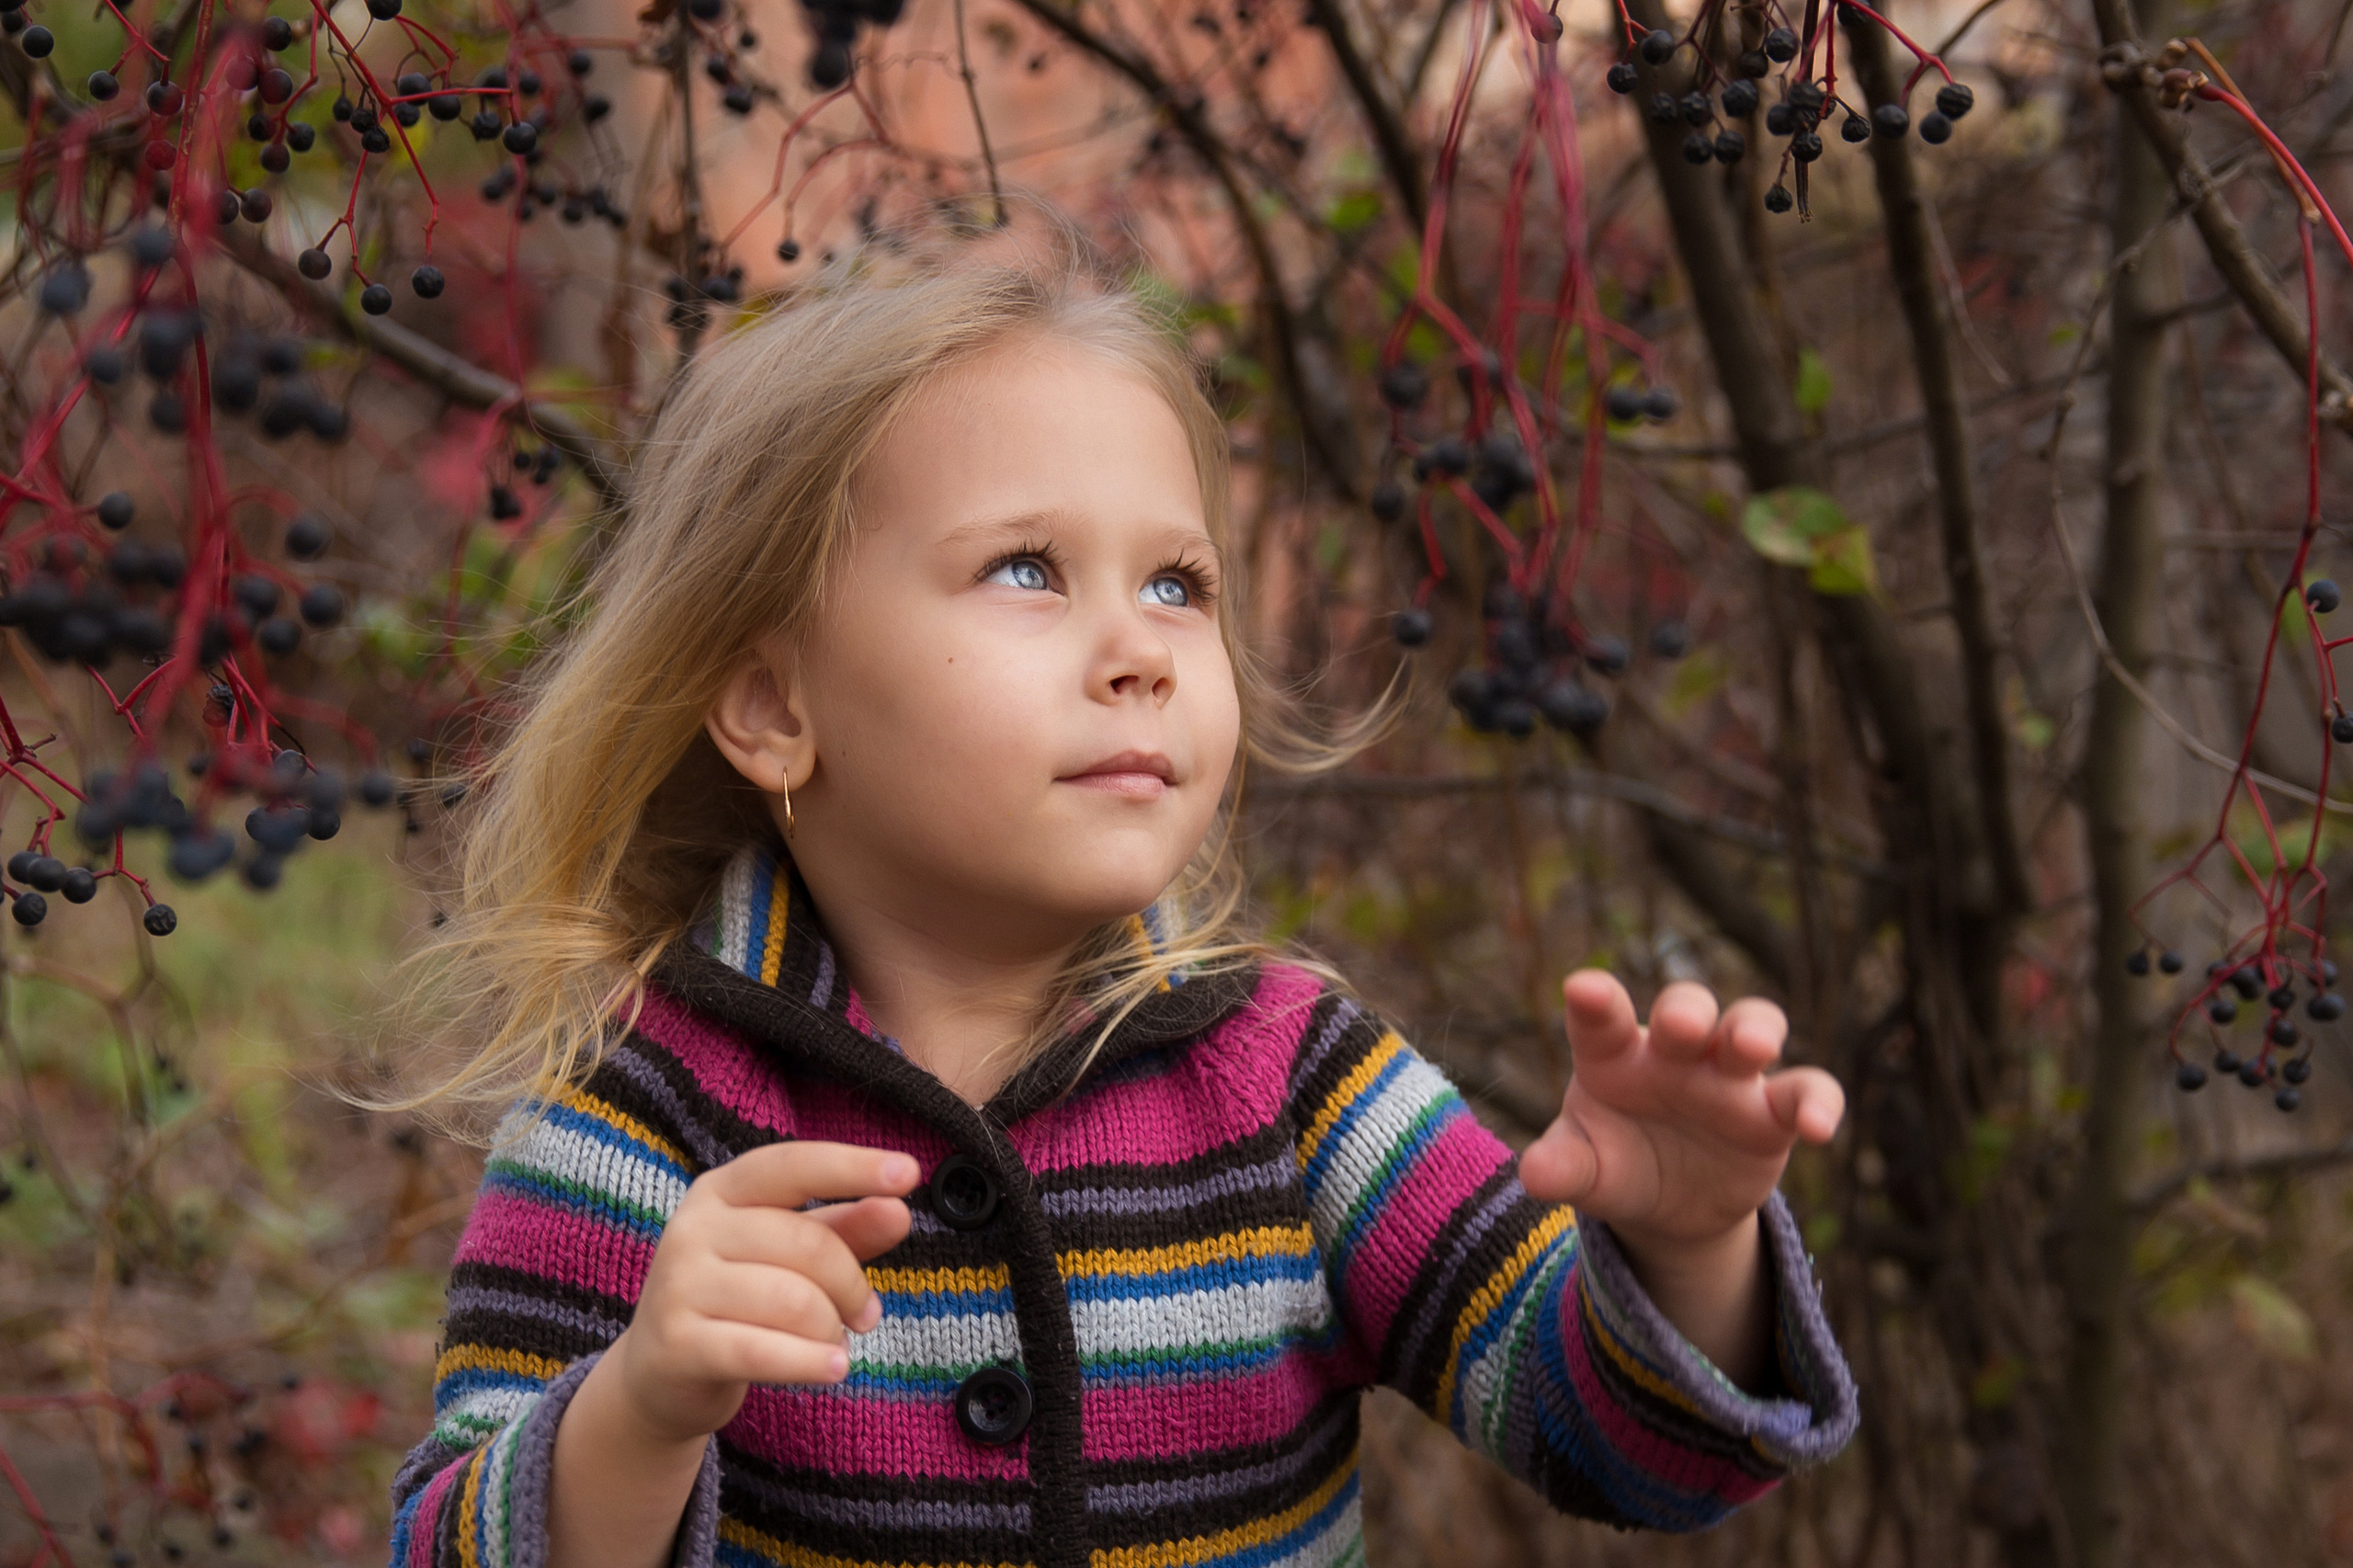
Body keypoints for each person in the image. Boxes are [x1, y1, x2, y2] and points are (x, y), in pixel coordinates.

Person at [380, 221, 1858, 1568]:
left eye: (1177, 585)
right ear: (771, 703)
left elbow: (1607, 1438)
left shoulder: (1289, 1077)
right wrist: (638, 1410)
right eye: (1028, 568)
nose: (1139, 649)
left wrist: (1688, 1249)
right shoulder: (637, 1119)